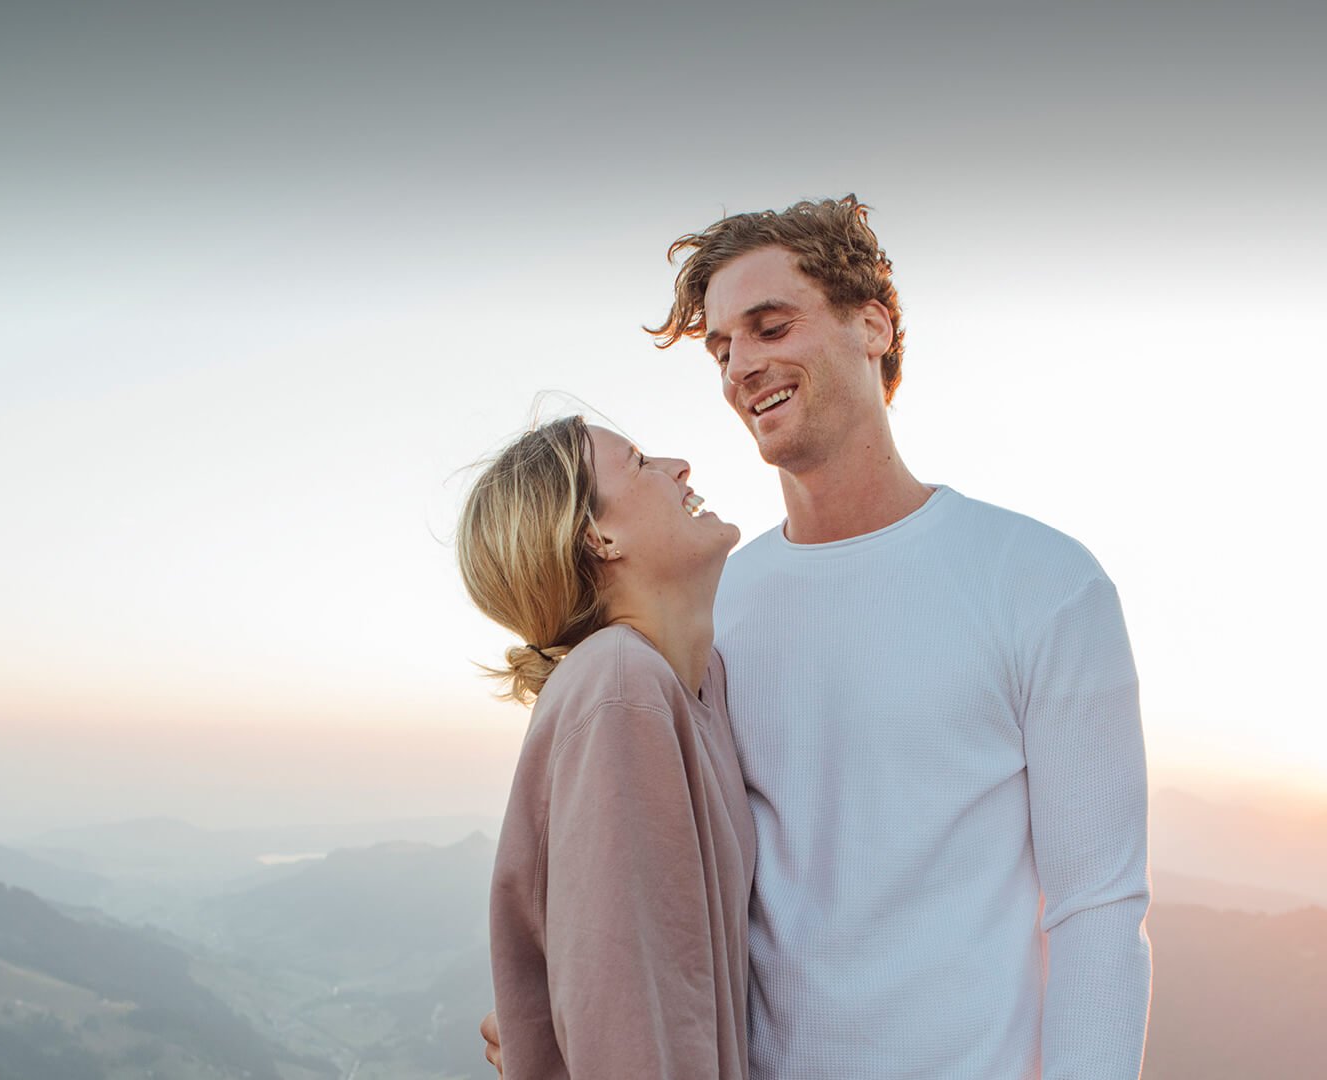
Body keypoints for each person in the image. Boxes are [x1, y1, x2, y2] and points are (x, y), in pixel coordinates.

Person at [483, 197, 1152, 1079]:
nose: (741, 368)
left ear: (871, 325)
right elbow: (652, 864)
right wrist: (571, 1009)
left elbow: (1097, 908)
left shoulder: (1044, 583)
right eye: (723, 349)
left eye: (769, 327)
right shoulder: (717, 609)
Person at [456, 415, 757, 1078]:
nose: (680, 465)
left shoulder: (694, 682)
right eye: (641, 460)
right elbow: (635, 1030)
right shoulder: (621, 692)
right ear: (599, 536)